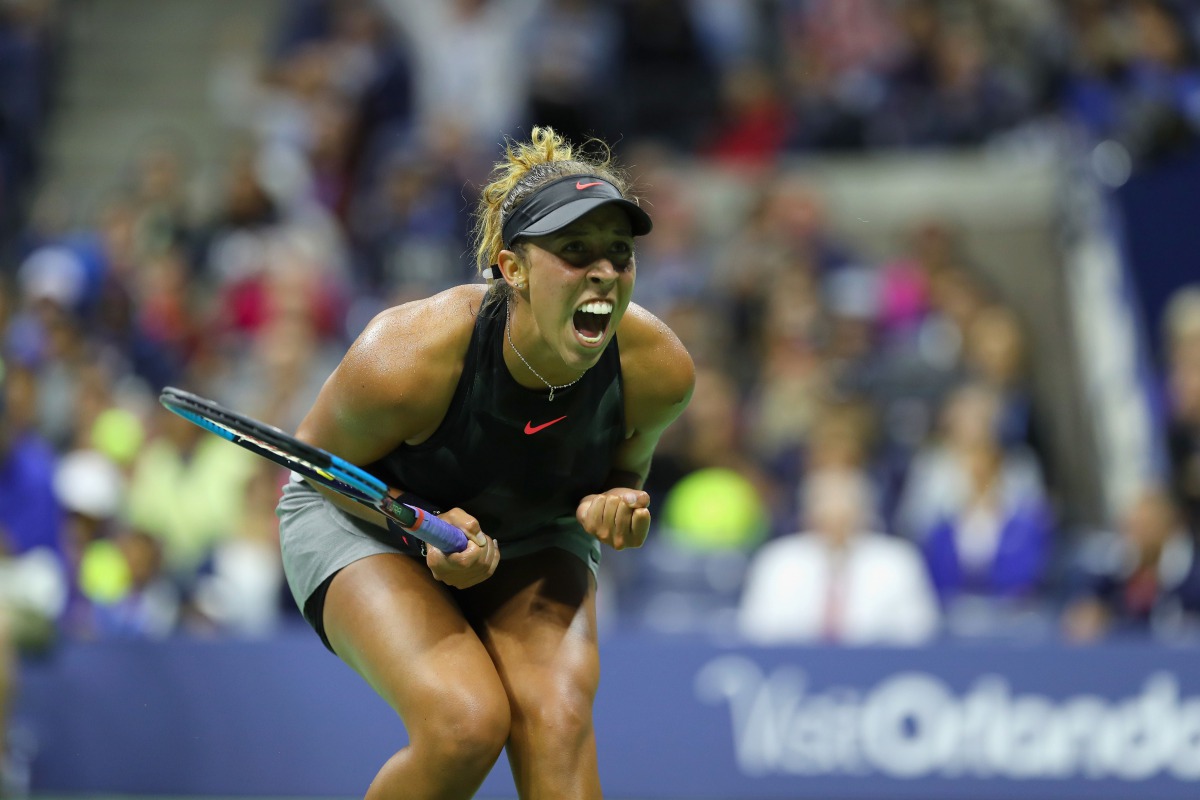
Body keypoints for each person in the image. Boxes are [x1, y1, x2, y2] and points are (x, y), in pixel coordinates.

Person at [275, 127, 694, 799]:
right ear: (511, 268)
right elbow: (323, 467)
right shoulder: (405, 356)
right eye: (575, 251)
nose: (605, 274)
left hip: (533, 533)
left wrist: (617, 505)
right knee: (464, 723)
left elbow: (627, 470)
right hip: (360, 521)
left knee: (557, 722)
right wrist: (424, 527)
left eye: (620, 254)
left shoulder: (658, 368)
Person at [738, 467, 940, 646]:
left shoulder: (897, 561)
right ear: (809, 515)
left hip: (875, 671)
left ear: (864, 514)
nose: (835, 523)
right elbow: (755, 630)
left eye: (844, 514)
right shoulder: (777, 561)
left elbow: (920, 631)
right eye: (825, 513)